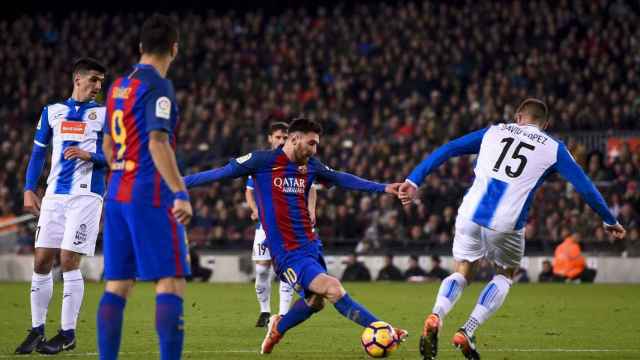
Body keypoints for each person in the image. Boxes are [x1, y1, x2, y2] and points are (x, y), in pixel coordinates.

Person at [398, 98, 626, 360]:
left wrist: (414, 179)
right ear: (545, 124)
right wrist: (609, 219)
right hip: (506, 222)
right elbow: (584, 185)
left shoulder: (493, 131)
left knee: (462, 269)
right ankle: (467, 330)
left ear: (518, 116)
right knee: (505, 273)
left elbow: (449, 148)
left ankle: (437, 314)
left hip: (470, 213)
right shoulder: (554, 148)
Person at [183, 118, 407, 354]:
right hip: (287, 253)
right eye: (311, 143)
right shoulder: (262, 161)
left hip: (311, 246)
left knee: (316, 302)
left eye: (316, 145)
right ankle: (384, 329)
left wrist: (383, 187)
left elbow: (342, 178)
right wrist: (175, 185)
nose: (314, 149)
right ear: (294, 139)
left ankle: (279, 326)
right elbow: (218, 174)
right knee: (333, 288)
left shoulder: (311, 165)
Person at [96, 15, 193, 360]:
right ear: (174, 49)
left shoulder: (118, 86)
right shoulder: (158, 86)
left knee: (118, 285)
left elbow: (107, 148)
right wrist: (180, 192)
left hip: (117, 192)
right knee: (171, 281)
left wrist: (123, 167)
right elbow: (157, 142)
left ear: (140, 48)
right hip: (148, 192)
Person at [15, 58, 107, 355]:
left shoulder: (105, 115)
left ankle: (67, 333)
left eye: (101, 81)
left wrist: (90, 156)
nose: (97, 86)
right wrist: (30, 189)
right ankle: (37, 330)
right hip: (54, 196)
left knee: (68, 259)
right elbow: (37, 155)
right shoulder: (52, 112)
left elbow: (119, 157)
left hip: (87, 195)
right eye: (93, 79)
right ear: (77, 79)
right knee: (41, 261)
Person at [247, 121, 317, 327]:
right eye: (277, 137)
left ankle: (283, 314)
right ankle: (264, 311)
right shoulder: (262, 162)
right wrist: (254, 208)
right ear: (270, 138)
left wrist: (311, 209)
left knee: (288, 270)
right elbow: (249, 189)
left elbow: (312, 187)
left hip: (290, 226)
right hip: (265, 225)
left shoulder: (300, 161)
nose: (281, 140)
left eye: (284, 137)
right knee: (261, 270)